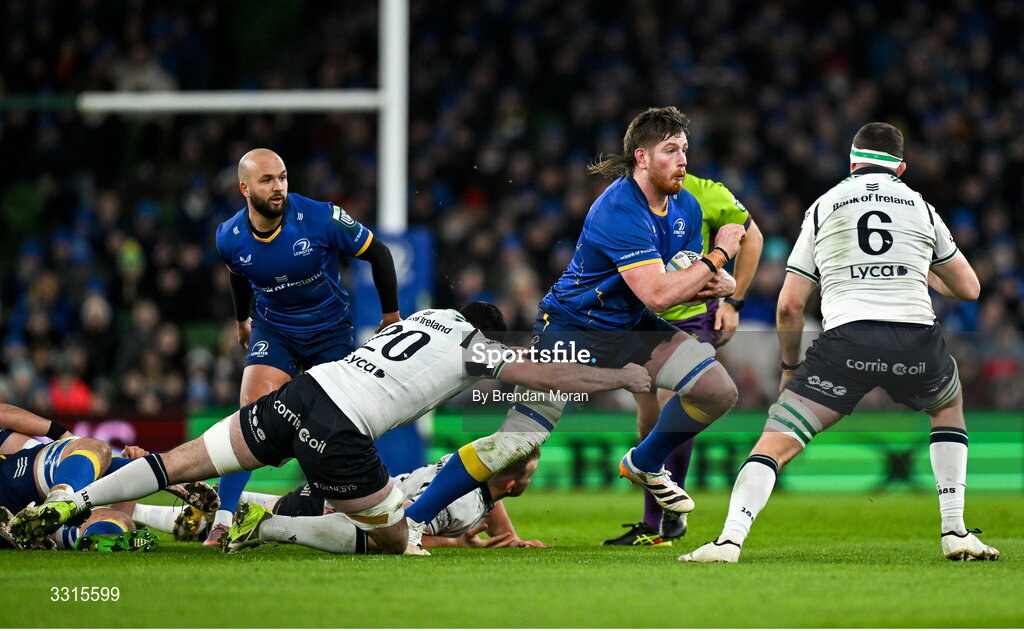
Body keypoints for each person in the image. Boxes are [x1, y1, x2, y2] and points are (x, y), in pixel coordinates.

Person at [12, 303, 651, 555]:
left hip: (305, 390)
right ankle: (268, 525)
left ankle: (76, 498)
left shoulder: (420, 320)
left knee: (178, 462)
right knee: (398, 542)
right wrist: (616, 377)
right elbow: (538, 373)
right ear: (484, 328)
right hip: (342, 428)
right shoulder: (472, 346)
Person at [403, 107, 745, 554]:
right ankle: (411, 521)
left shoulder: (687, 206)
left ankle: (643, 460)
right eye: (670, 150)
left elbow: (680, 282)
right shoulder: (618, 209)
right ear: (641, 157)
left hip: (631, 327)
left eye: (684, 149)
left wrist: (720, 285)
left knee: (717, 390)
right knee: (516, 444)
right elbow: (660, 295)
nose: (683, 159)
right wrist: (719, 257)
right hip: (572, 331)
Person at [680, 122, 1000, 563]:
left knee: (775, 441)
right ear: (901, 168)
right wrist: (913, 268)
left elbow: (790, 305)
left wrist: (790, 368)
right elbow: (969, 289)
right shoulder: (921, 208)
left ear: (851, 162)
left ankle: (729, 541)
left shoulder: (825, 205)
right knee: (948, 409)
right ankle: (955, 531)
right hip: (917, 342)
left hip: (847, 343)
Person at [208, 148, 401, 546]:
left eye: (282, 177)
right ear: (244, 188)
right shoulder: (228, 236)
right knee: (249, 414)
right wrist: (242, 320)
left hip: (329, 331)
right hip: (274, 329)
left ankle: (337, 507)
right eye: (267, 180)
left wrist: (391, 318)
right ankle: (223, 519)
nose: (278, 187)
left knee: (337, 424)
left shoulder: (320, 217)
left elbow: (379, 253)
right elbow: (239, 277)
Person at [604, 174, 763, 546]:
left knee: (675, 397)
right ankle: (654, 515)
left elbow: (751, 237)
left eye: (678, 150)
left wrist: (734, 301)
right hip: (640, 319)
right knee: (648, 417)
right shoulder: (624, 197)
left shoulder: (708, 193)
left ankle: (669, 514)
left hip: (693, 317)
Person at [220, 448, 546, 554]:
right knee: (230, 521)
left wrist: (510, 537)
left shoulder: (467, 468)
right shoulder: (462, 507)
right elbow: (405, 526)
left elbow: (491, 493)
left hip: (352, 492)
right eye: (531, 474)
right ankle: (175, 494)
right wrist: (458, 540)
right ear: (514, 484)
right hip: (338, 508)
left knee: (231, 508)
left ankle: (187, 487)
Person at [0, 404, 216, 551]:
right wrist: (66, 436)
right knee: (93, 448)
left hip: (20, 516)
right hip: (14, 482)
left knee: (118, 520)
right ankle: (160, 473)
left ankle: (100, 539)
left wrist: (127, 488)